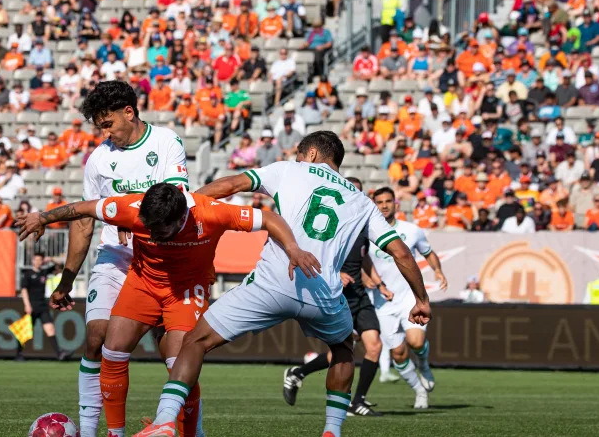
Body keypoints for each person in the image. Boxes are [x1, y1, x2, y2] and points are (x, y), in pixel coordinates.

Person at [129, 132, 431, 437]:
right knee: (342, 349)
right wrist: (421, 300)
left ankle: (165, 421)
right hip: (323, 292)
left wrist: (183, 207)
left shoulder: (290, 169)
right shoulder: (362, 201)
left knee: (196, 341)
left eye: (300, 153)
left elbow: (231, 185)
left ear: (311, 154)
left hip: (273, 282)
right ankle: (332, 431)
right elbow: (402, 253)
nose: (297, 158)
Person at [17, 180, 314, 437]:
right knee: (113, 348)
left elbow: (269, 218)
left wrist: (292, 248)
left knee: (180, 364)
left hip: (186, 291)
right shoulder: (131, 208)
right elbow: (81, 208)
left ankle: (190, 432)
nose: (151, 233)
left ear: (181, 217)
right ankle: (115, 433)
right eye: (147, 226)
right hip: (143, 284)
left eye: (158, 230)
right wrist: (42, 217)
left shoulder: (211, 212)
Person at [20, 81, 192, 437]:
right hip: (115, 258)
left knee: (174, 353)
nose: (105, 133)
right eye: (100, 127)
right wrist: (66, 282)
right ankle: (90, 431)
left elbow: (173, 200)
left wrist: (132, 218)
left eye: (108, 124)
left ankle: (191, 429)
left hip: (161, 260)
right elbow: (85, 220)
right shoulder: (99, 158)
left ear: (129, 112)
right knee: (96, 336)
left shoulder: (166, 142)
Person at [282, 177, 385, 417]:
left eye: (358, 192)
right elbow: (311, 255)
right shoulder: (326, 222)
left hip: (359, 295)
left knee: (375, 345)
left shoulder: (362, 225)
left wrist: (378, 282)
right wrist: (336, 273)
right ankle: (299, 373)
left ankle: (357, 401)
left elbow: (364, 257)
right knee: (341, 352)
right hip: (336, 295)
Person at [365, 187, 446, 408]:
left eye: (388, 201)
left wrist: (438, 271)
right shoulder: (367, 232)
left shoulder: (412, 230)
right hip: (382, 302)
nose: (384, 205)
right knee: (399, 354)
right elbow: (361, 259)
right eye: (379, 202)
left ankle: (423, 364)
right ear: (374, 205)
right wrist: (366, 277)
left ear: (396, 204)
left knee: (415, 341)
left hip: (410, 297)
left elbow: (428, 253)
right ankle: (419, 391)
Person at [18, 253, 70, 360]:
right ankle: (18, 354)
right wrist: (27, 305)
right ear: (32, 261)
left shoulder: (44, 272)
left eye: (40, 260)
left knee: (50, 329)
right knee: (24, 332)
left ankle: (59, 354)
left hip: (42, 306)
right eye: (36, 260)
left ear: (42, 261)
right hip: (31, 306)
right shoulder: (27, 274)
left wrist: (50, 258)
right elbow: (24, 290)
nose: (38, 262)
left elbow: (61, 265)